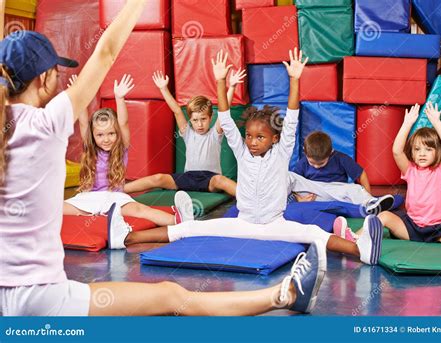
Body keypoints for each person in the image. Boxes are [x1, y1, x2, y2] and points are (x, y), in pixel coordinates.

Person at [0, 1, 323, 316]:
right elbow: (106, 52)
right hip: (42, 297)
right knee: (172, 296)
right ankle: (285, 294)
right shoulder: (47, 123)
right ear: (43, 79)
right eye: (55, 72)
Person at [118, 48, 384, 268]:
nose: (253, 142)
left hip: (274, 225)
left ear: (274, 139)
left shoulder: (281, 154)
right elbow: (224, 118)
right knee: (189, 229)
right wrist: (220, 81)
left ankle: (361, 250)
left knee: (313, 234)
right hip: (242, 223)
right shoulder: (242, 153)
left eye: (260, 137)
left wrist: (294, 80)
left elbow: (291, 118)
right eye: (250, 136)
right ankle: (127, 237)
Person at [63, 74, 190, 249]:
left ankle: (181, 220)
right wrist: (81, 93)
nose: (106, 139)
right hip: (89, 198)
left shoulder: (120, 149)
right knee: (57, 210)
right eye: (100, 135)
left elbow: (123, 123)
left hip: (115, 198)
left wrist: (119, 98)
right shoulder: (90, 150)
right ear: (93, 136)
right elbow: (84, 122)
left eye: (111, 134)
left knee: (141, 210)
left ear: (117, 134)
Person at [334, 102, 441, 245]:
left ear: (437, 151)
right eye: (417, 149)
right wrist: (407, 124)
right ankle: (353, 239)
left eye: (428, 149)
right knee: (384, 216)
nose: (422, 154)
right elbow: (396, 151)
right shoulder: (410, 170)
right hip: (411, 228)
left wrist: (436, 122)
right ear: (412, 153)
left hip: (440, 229)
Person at [123, 68, 246, 197]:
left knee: (221, 180)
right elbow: (177, 110)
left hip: (210, 179)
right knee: (158, 178)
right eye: (195, 120)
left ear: (210, 118)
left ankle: (248, 198)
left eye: (203, 119)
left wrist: (231, 86)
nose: (199, 124)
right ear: (190, 120)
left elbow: (223, 110)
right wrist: (163, 89)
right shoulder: (188, 133)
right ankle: (119, 189)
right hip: (188, 177)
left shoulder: (215, 134)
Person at [289, 130, 394, 215]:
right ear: (305, 152)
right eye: (312, 163)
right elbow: (296, 183)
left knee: (356, 188)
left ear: (331, 152)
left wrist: (368, 194)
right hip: (315, 192)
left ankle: (370, 202)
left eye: (321, 163)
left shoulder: (341, 158)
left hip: (337, 191)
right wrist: (299, 198)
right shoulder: (302, 163)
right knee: (290, 176)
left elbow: (361, 174)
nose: (316, 166)